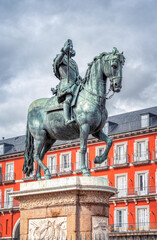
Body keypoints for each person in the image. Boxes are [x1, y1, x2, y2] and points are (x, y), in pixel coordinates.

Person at [52, 39, 82, 125]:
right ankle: (67, 119)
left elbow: (77, 76)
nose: (71, 48)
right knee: (68, 98)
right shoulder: (61, 57)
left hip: (75, 84)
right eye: (70, 46)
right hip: (66, 83)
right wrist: (63, 52)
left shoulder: (73, 63)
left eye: (72, 47)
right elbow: (57, 63)